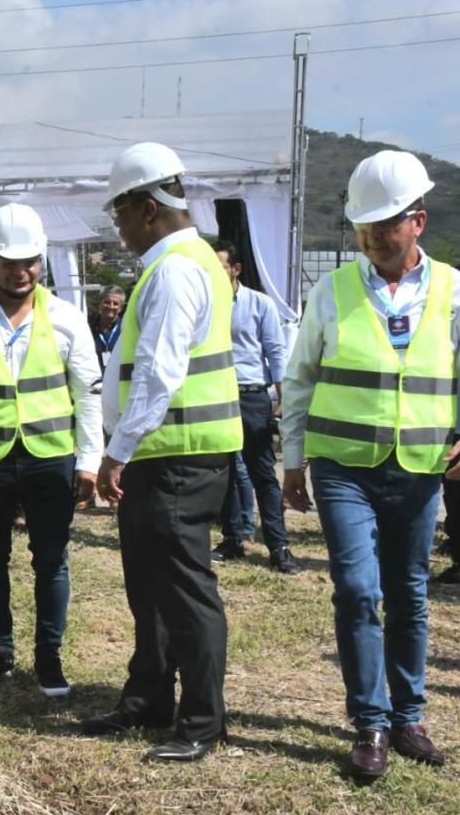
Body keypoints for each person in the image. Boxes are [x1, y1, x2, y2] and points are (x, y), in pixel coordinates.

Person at [282, 150, 457, 780]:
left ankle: (409, 716)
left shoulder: (454, 291)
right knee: (358, 589)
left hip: (419, 465)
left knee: (409, 592)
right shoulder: (331, 292)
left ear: (418, 221)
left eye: (386, 223)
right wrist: (293, 460)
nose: (374, 237)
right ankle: (371, 721)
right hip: (343, 467)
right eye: (365, 226)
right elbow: (299, 378)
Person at [85, 142, 242, 763]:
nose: (117, 226)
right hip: (165, 454)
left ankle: (202, 719)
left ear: (147, 208)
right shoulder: (179, 263)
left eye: (119, 212)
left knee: (183, 589)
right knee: (149, 585)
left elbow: (159, 373)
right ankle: (149, 697)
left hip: (176, 455)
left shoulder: (176, 270)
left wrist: (117, 451)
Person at [0, 203, 102, 697]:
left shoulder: (66, 317)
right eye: (10, 262)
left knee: (51, 560)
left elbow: (88, 393)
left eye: (30, 261)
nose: (22, 272)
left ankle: (48, 656)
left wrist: (89, 460)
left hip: (49, 458)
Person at [210, 240, 301, 574]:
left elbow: (276, 352)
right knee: (225, 472)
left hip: (251, 396)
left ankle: (278, 546)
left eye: (219, 266)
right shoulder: (204, 304)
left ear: (235, 269)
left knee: (262, 472)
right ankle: (233, 539)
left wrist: (284, 398)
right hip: (216, 397)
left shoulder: (260, 304)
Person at [89, 286, 125, 375]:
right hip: (94, 379)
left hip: (118, 379)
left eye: (115, 304)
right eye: (107, 302)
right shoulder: (88, 329)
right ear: (99, 304)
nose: (111, 307)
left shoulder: (125, 330)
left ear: (121, 308)